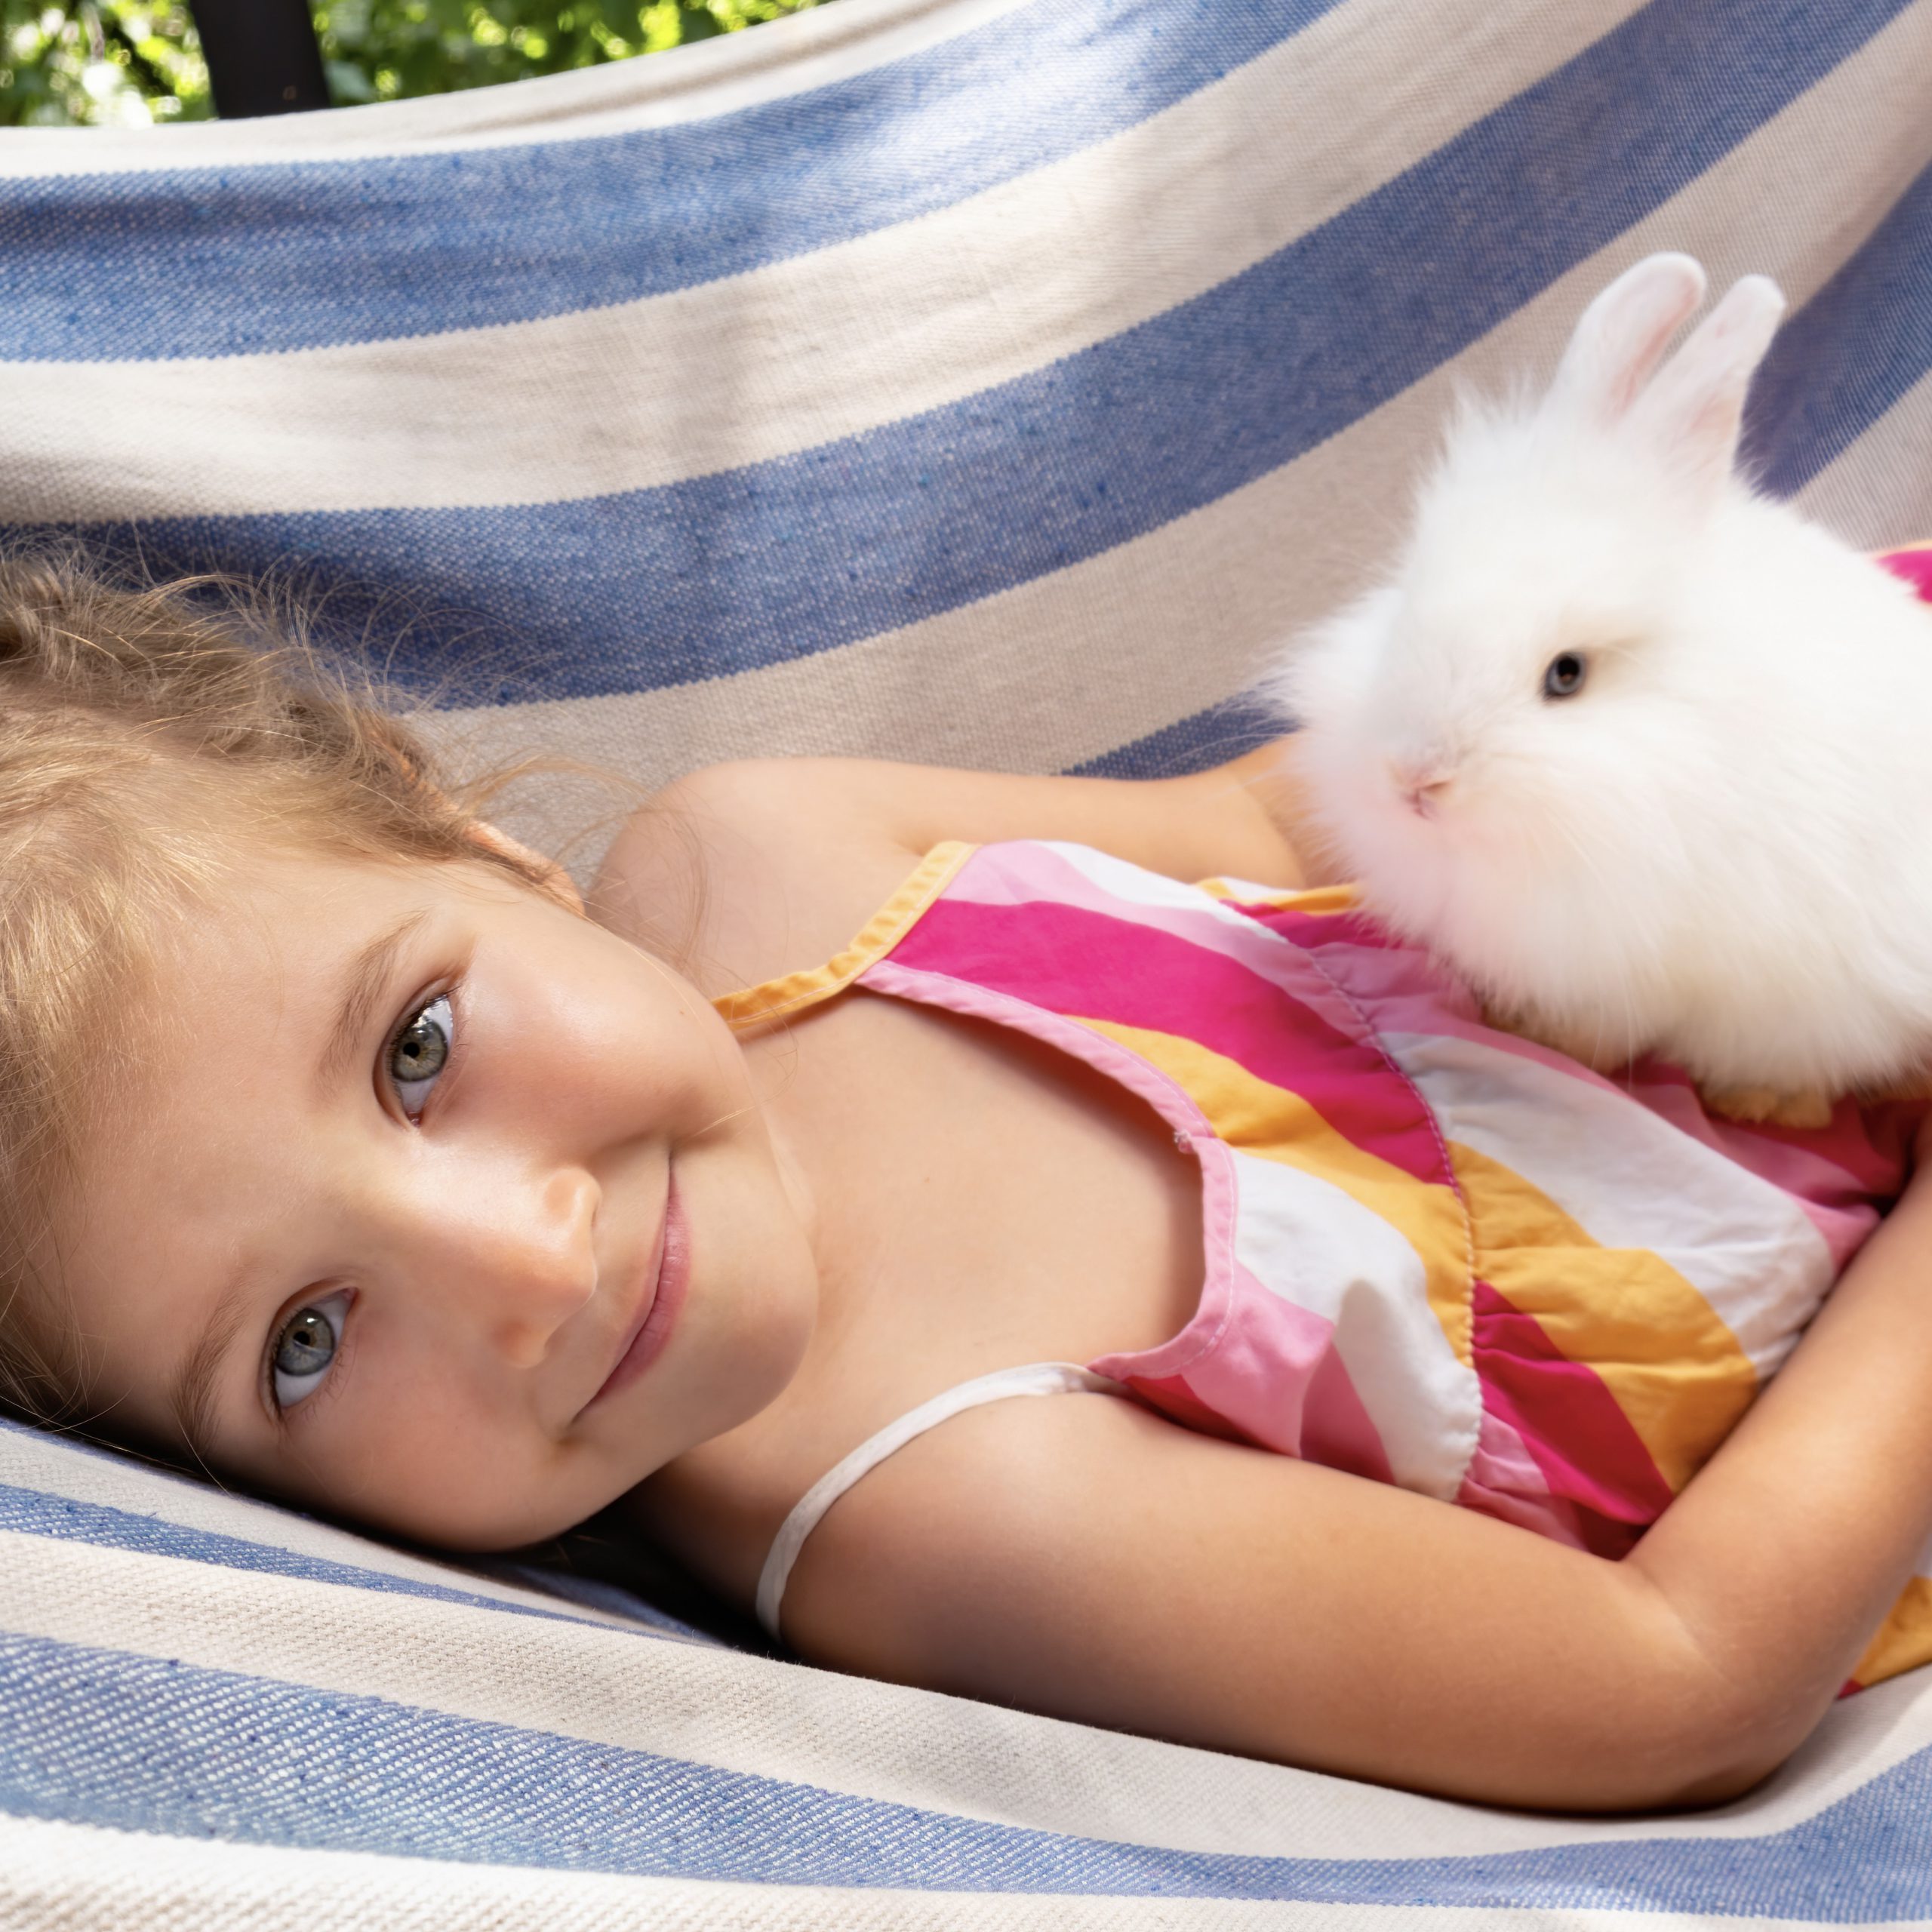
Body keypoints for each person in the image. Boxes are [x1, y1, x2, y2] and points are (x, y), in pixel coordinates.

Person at [9, 548, 1932, 1817]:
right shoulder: (943, 1509)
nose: (525, 1259)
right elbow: (1676, 1671)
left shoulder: (764, 853)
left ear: (458, 831)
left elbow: (1270, 823)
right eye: (303, 1341)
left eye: (418, 1045)